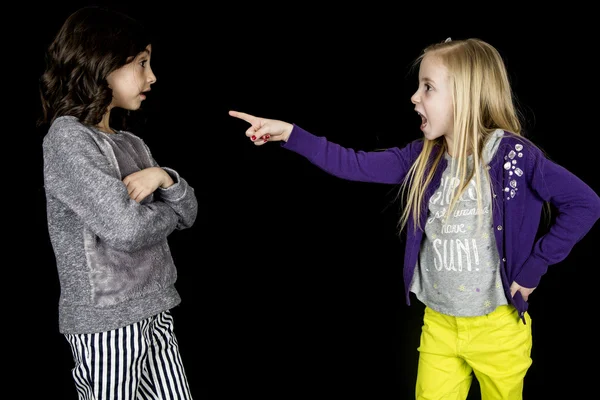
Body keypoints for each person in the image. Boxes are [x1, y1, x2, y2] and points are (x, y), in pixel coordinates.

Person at [229, 37, 600, 399]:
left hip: (498, 328)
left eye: (427, 88)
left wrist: (533, 268)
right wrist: (291, 134)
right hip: (439, 324)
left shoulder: (514, 157)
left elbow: (585, 203)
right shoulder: (422, 157)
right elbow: (352, 163)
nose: (414, 97)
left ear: (464, 95)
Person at [38, 6, 197, 399]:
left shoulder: (132, 143)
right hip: (107, 322)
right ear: (100, 64)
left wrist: (165, 177)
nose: (152, 76)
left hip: (154, 309)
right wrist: (170, 211)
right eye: (141, 63)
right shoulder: (69, 140)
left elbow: (190, 212)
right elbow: (126, 230)